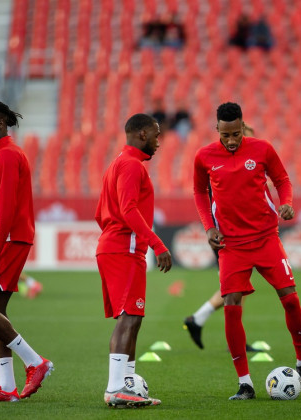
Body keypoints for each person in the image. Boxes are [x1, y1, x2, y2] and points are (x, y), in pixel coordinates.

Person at [193, 103, 301, 400]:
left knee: (290, 298)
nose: (232, 140)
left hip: (266, 238)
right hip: (231, 245)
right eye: (226, 135)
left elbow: (283, 180)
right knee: (232, 305)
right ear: (217, 130)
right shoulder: (204, 156)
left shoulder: (262, 149)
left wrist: (286, 201)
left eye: (236, 133)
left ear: (243, 126)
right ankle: (245, 383)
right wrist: (209, 227)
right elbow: (199, 192)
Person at [0, 100, 53, 402]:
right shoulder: (3, 156)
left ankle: (35, 362)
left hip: (5, 242)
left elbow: (5, 209)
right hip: (4, 241)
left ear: (1, 124)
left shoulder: (5, 157)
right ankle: (6, 387)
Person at [95, 113, 171, 408]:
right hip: (123, 249)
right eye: (155, 134)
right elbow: (128, 209)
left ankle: (126, 386)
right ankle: (116, 388)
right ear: (141, 134)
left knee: (133, 317)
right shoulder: (130, 166)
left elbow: (99, 212)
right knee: (130, 316)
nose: (158, 141)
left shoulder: (117, 163)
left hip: (116, 246)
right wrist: (156, 243)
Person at [184, 123, 260, 352]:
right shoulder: (220, 162)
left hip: (241, 231)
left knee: (240, 285)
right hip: (226, 232)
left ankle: (200, 321)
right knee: (235, 286)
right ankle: (206, 323)